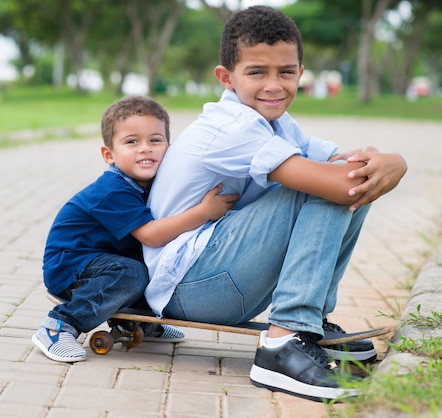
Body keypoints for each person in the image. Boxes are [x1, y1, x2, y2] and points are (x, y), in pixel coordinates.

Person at [143, 6, 407, 402]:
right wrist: (388, 166)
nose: (274, 85)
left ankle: (310, 322)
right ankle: (283, 343)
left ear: (301, 73)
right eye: (256, 72)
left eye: (286, 72)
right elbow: (334, 181)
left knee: (346, 181)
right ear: (226, 78)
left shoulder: (278, 125)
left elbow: (340, 163)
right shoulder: (230, 126)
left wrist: (389, 162)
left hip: (224, 276)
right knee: (331, 186)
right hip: (187, 286)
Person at [33, 96, 238, 363]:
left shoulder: (155, 184)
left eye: (155, 140)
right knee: (132, 272)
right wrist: (203, 212)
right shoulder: (113, 189)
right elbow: (151, 235)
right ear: (109, 154)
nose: (145, 149)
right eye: (132, 141)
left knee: (158, 264)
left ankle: (138, 324)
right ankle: (58, 325)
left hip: (105, 261)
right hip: (71, 264)